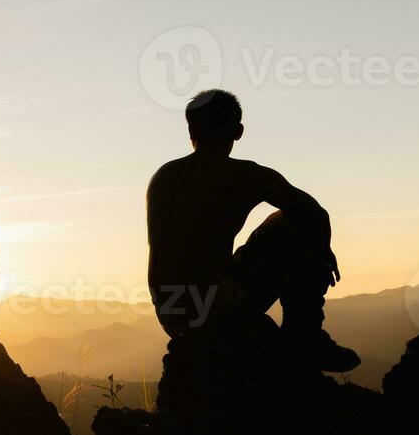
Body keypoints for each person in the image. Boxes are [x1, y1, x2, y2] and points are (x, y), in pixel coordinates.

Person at [146, 89, 360, 372]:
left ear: (191, 130)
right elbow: (314, 213)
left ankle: (295, 338)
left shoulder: (164, 177)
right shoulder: (250, 176)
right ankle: (305, 336)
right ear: (238, 131)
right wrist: (322, 249)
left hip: (172, 312)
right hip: (217, 307)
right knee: (289, 223)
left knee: (283, 219)